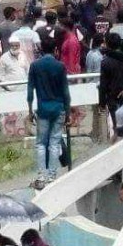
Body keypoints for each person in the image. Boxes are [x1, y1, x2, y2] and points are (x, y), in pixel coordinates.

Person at [27, 36, 71, 189]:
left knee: (40, 144)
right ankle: (52, 177)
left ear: (41, 50)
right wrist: (68, 112)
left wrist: (29, 110)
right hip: (58, 109)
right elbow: (66, 92)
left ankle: (41, 176)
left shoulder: (34, 66)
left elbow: (30, 91)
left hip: (43, 110)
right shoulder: (60, 66)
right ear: (55, 50)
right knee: (54, 143)